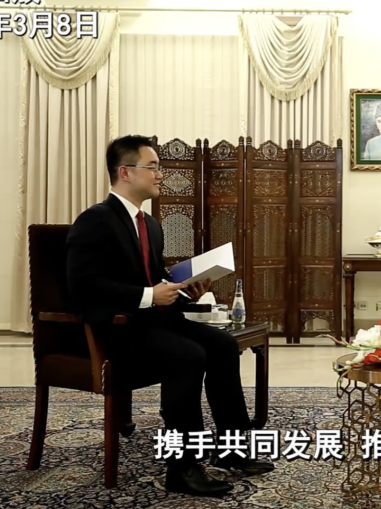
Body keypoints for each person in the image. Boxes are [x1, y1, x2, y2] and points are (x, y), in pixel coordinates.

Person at [65, 135, 274, 497]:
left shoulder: (150, 225)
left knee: (223, 345)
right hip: (117, 330)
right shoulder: (95, 220)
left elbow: (153, 278)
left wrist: (184, 289)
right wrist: (149, 295)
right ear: (125, 172)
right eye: (153, 167)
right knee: (188, 355)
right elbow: (82, 286)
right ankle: (183, 468)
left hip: (154, 323)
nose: (161, 174)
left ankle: (233, 450)